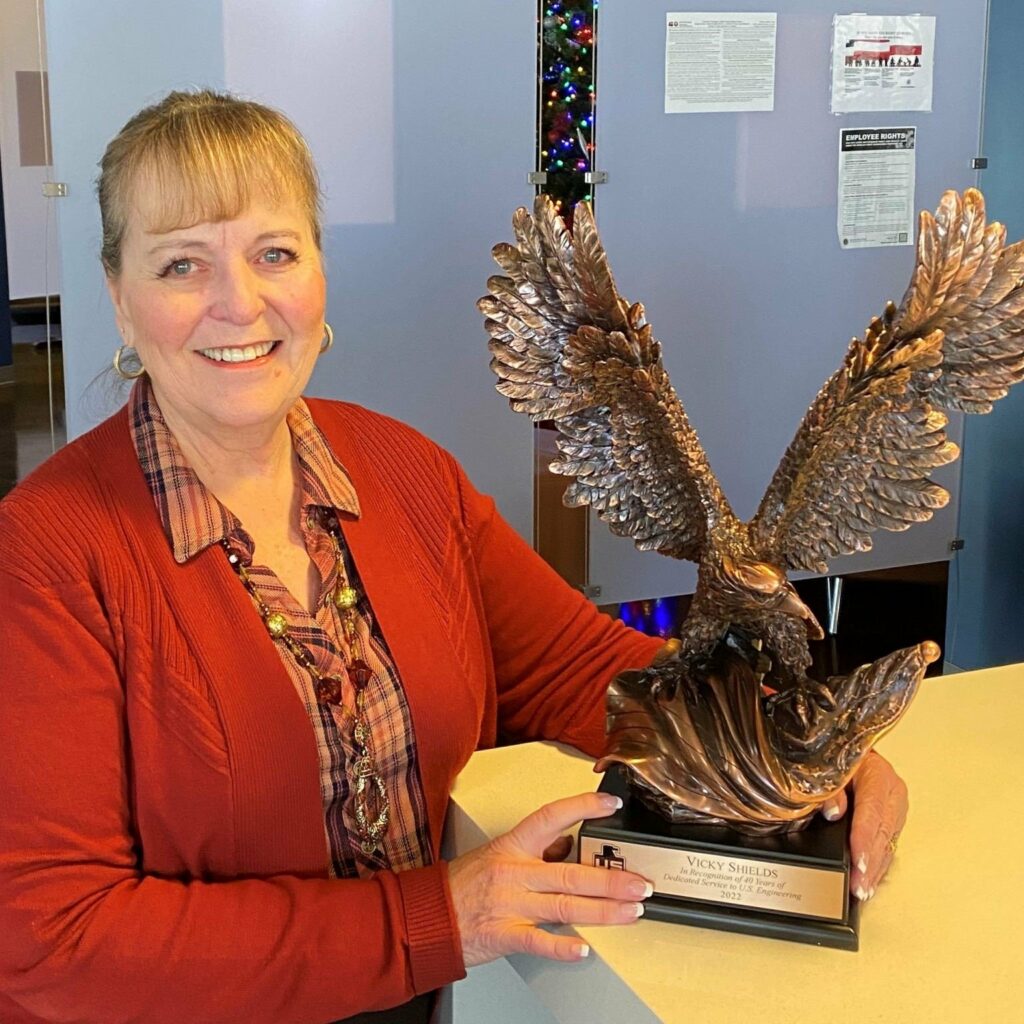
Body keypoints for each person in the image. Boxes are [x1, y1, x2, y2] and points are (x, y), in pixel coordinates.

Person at [0, 91, 908, 1024]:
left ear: (318, 274)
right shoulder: (44, 554)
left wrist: (787, 743)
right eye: (181, 263)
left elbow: (582, 671)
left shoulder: (405, 473)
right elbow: (48, 937)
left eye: (275, 252)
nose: (240, 302)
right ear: (118, 294)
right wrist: (439, 918)